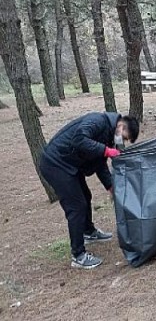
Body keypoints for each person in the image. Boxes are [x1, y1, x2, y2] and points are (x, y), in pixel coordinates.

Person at [40, 112, 139, 269]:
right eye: (125, 137)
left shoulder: (108, 134)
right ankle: (78, 255)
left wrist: (111, 186)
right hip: (56, 163)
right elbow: (79, 139)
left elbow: (99, 162)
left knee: (85, 196)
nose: (122, 141)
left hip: (70, 164)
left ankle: (88, 232)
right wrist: (106, 151)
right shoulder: (98, 121)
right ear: (120, 126)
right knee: (76, 206)